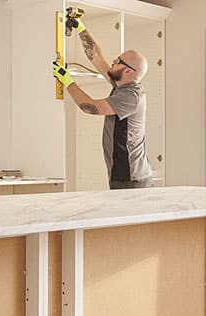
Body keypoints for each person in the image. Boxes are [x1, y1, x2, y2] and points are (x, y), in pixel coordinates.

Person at [51, 17, 152, 190]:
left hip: (130, 177)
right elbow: (97, 56)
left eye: (118, 61)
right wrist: (80, 27)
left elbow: (90, 107)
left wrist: (67, 81)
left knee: (125, 217)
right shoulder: (121, 83)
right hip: (125, 174)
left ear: (128, 71)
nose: (113, 61)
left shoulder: (131, 96)